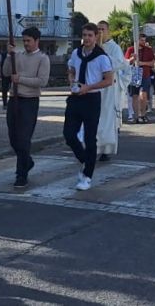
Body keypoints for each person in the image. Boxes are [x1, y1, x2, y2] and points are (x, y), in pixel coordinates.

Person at [65, 23, 114, 189]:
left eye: (90, 35)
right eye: (84, 35)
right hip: (76, 97)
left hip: (91, 99)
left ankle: (87, 176)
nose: (86, 38)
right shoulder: (76, 53)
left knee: (89, 138)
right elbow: (71, 69)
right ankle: (85, 159)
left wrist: (89, 87)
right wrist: (72, 80)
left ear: (95, 37)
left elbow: (109, 79)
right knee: (69, 134)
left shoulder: (102, 57)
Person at [2, 27, 50, 187]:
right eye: (24, 41)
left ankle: (21, 174)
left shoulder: (43, 59)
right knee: (13, 138)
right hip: (14, 99)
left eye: (29, 41)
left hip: (29, 101)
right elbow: (6, 72)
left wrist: (20, 79)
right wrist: (9, 56)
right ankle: (27, 160)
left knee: (23, 139)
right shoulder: (18, 56)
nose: (26, 44)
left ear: (37, 41)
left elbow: (42, 81)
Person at [96, 21, 130, 160]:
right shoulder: (92, 45)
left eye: (102, 29)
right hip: (95, 86)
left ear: (108, 31)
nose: (100, 32)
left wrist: (102, 53)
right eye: (98, 29)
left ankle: (106, 150)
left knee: (108, 118)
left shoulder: (114, 47)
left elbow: (120, 64)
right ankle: (93, 147)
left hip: (109, 87)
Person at [125, 33, 155, 124]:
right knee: (135, 95)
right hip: (135, 73)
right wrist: (132, 59)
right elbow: (125, 62)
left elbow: (153, 63)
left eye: (144, 40)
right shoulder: (131, 49)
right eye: (141, 40)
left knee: (143, 95)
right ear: (137, 40)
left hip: (145, 74)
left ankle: (143, 114)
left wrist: (142, 63)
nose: (143, 42)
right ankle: (136, 115)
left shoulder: (148, 50)